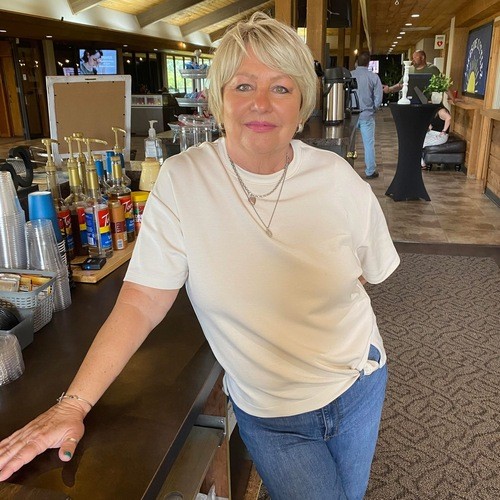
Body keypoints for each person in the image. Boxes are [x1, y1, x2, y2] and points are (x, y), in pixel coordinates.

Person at [0, 13, 400, 499]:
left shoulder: (336, 178)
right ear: (217, 99)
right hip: (271, 412)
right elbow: (142, 301)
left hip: (358, 381)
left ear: (302, 104)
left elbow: (367, 274)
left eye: (281, 87)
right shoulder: (183, 180)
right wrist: (72, 405)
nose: (260, 103)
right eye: (243, 85)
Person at [351, 52, 383, 179]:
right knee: (369, 144)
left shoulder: (350, 75)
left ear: (356, 62)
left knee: (349, 144)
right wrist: (374, 108)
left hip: (351, 115)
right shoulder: (373, 77)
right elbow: (378, 96)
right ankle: (370, 171)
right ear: (368, 63)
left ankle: (348, 170)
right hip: (367, 114)